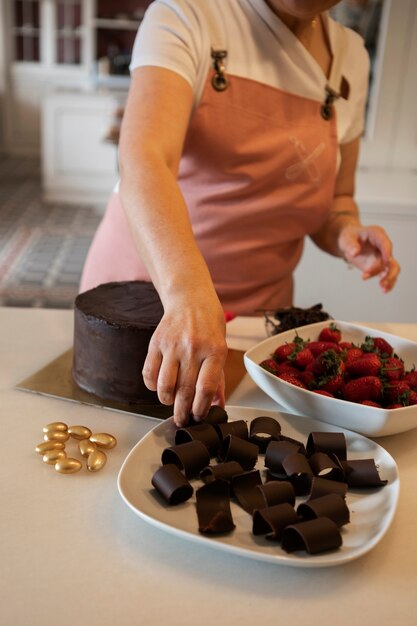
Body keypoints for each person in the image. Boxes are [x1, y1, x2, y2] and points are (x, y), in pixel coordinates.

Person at [80, 0, 400, 427]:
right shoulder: (187, 14)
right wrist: (187, 294)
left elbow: (336, 200)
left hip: (256, 319)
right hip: (150, 300)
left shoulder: (352, 58)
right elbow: (145, 161)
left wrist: (346, 233)